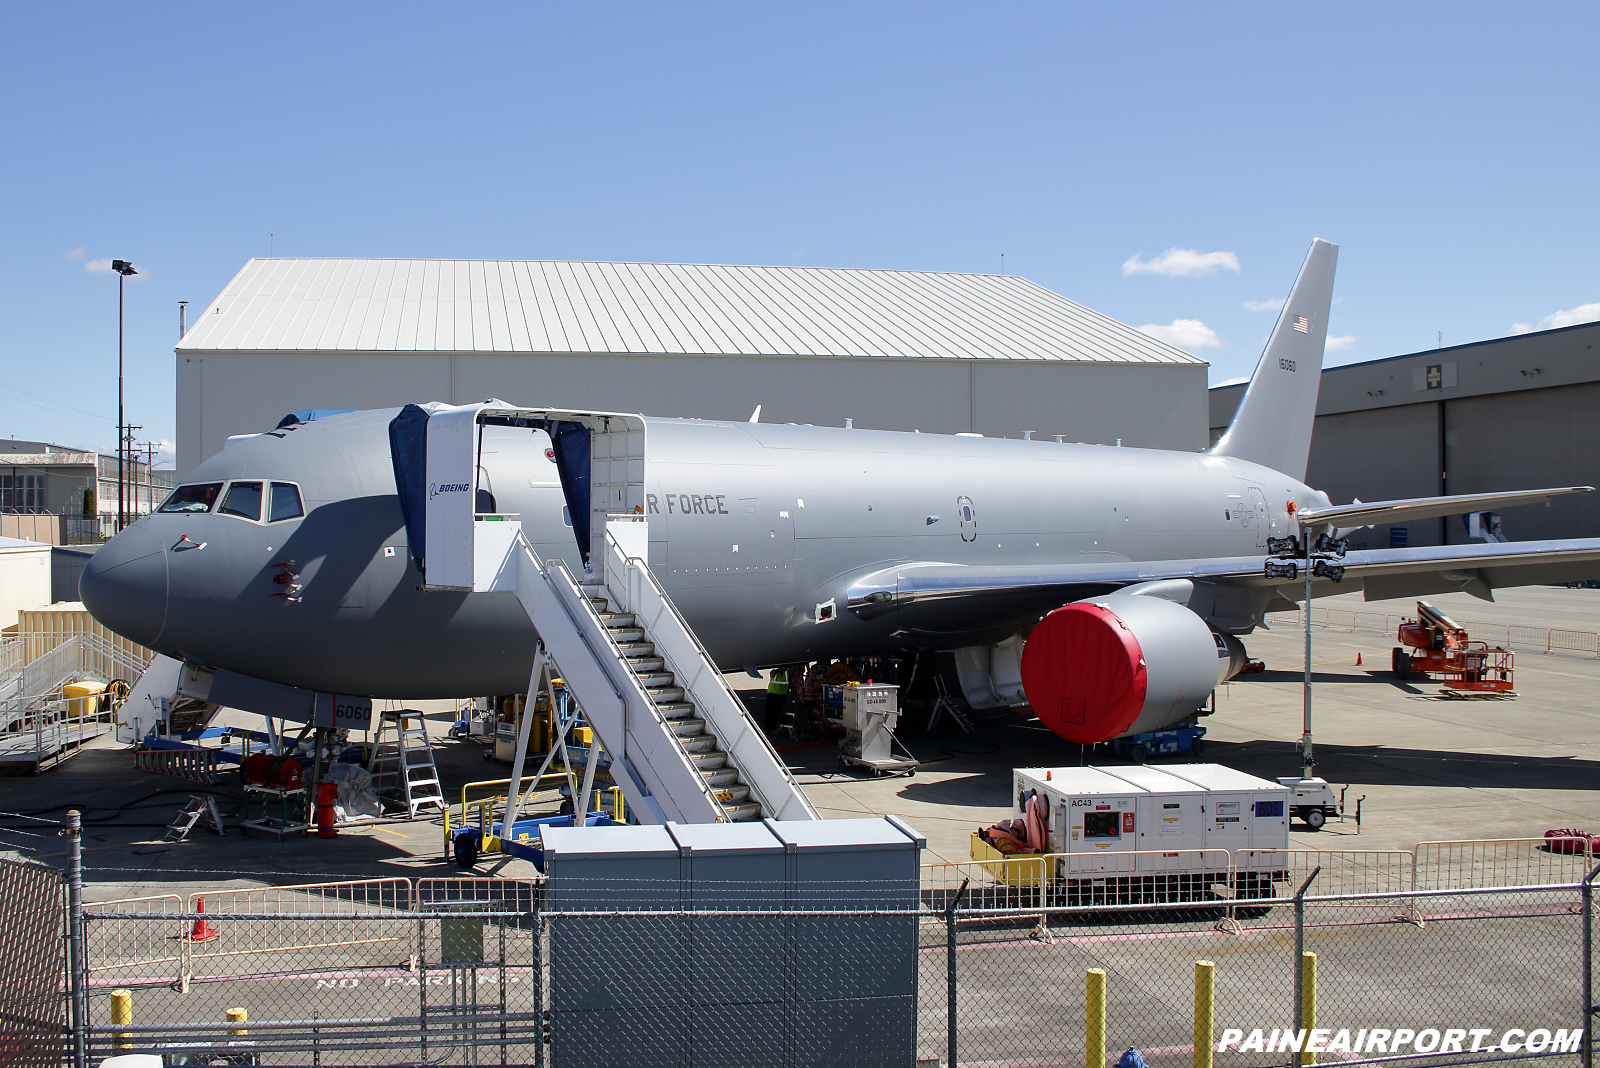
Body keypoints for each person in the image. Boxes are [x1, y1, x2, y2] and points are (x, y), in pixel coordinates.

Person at [764, 668, 789, 734]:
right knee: (770, 712)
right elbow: (772, 674)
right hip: (773, 693)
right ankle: (768, 729)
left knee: (776, 713)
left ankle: (772, 729)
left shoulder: (787, 673)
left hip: (779, 694)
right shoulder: (775, 672)